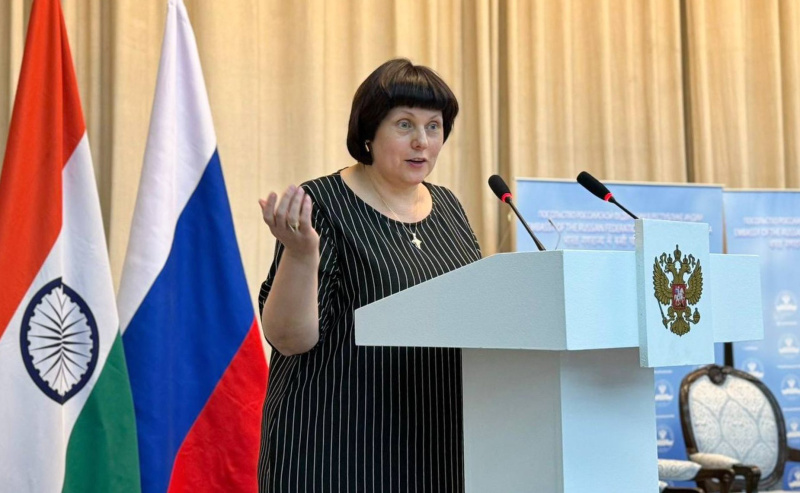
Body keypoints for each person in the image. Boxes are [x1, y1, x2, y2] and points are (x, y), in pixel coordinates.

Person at [256, 58, 482, 492]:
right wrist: (301, 255)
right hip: (337, 449)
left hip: (437, 446)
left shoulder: (449, 208)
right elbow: (289, 338)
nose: (421, 141)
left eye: (433, 127)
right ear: (369, 133)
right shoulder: (322, 204)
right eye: (404, 124)